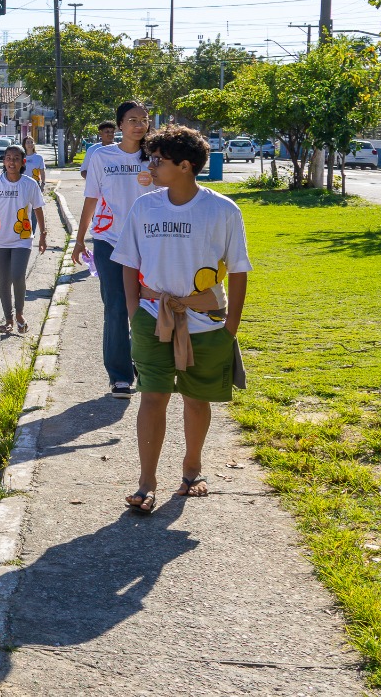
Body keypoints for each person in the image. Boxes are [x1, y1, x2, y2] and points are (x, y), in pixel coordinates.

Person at [113, 125, 250, 516]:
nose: (151, 166)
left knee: (196, 398)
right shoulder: (145, 207)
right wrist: (134, 311)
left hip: (207, 323)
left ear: (186, 166)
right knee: (152, 396)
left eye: (159, 160)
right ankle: (146, 483)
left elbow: (239, 269)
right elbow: (128, 262)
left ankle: (192, 470)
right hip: (152, 318)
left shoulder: (222, 210)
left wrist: (230, 328)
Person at [72, 102, 151, 399]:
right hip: (109, 241)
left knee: (147, 306)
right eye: (132, 120)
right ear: (119, 125)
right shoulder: (102, 156)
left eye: (144, 120)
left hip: (148, 242)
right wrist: (80, 238)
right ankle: (120, 376)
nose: (139, 125)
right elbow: (91, 198)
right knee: (116, 306)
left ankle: (147, 366)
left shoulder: (155, 157)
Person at [0, 145, 47, 333]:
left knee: (17, 275)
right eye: (8, 158)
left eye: (16, 158)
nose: (11, 162)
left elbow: (38, 208)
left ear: (23, 162)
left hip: (22, 238)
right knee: (4, 280)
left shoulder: (29, 184)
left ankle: (20, 314)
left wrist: (43, 234)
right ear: (4, 161)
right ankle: (8, 319)